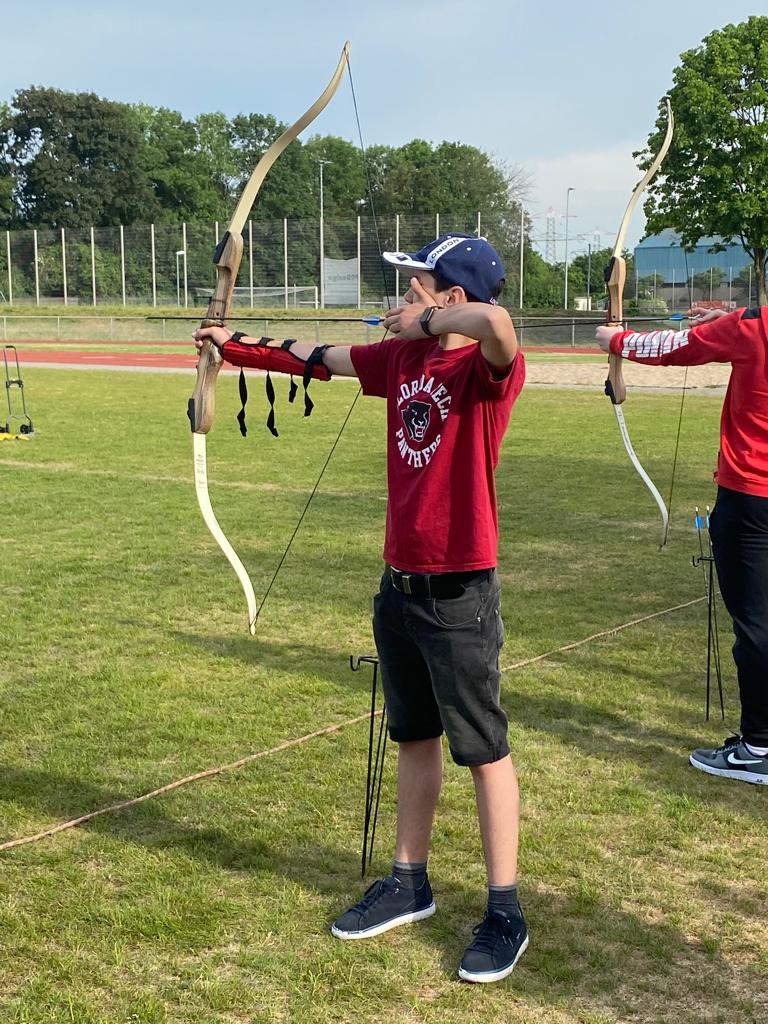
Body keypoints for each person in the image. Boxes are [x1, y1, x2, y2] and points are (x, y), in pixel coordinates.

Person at [194, 233, 527, 983]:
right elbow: (320, 358)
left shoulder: (483, 366)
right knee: (413, 736)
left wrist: (431, 323)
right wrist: (233, 343)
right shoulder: (401, 359)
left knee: (484, 750)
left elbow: (500, 328)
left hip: (461, 588)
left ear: (452, 298)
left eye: (418, 286)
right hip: (399, 583)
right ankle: (410, 881)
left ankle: (504, 908)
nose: (402, 297)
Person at [596, 304, 768, 786]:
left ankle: (759, 746)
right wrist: (725, 318)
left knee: (755, 625)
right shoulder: (747, 325)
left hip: (752, 496)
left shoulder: (753, 328)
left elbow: (677, 347)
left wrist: (615, 340)